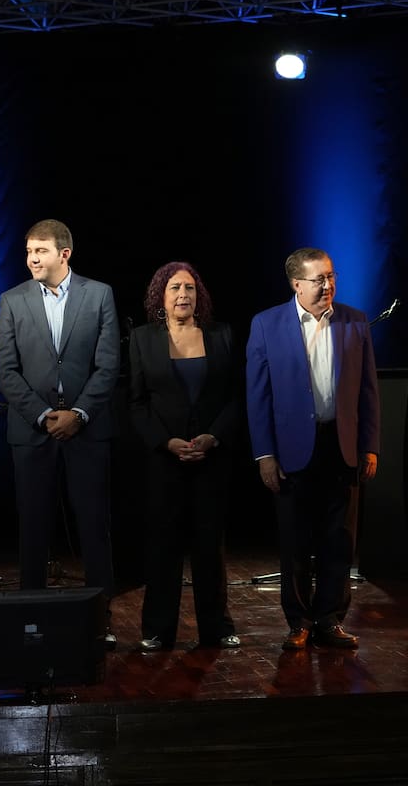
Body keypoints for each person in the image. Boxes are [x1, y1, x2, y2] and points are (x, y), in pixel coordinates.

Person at [0, 219, 120, 647]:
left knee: (93, 528)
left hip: (87, 431)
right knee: (33, 528)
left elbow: (108, 366)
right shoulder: (12, 300)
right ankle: (32, 621)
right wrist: (45, 414)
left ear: (64, 254)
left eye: (41, 251)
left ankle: (100, 622)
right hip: (33, 432)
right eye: (29, 251)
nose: (32, 258)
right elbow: (5, 370)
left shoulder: (99, 294)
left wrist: (79, 413)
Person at [246, 247, 379, 650]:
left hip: (341, 446)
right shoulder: (267, 324)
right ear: (296, 284)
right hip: (292, 450)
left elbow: (369, 392)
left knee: (340, 539)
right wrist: (264, 454)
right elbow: (258, 396)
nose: (327, 285)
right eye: (318, 279)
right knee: (296, 540)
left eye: (331, 276)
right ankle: (299, 622)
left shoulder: (355, 322)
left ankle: (330, 619)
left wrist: (370, 445)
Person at [129, 262, 240, 650]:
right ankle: (158, 629)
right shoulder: (142, 339)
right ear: (161, 295)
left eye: (190, 288)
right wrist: (166, 442)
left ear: (199, 295)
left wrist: (214, 436)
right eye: (175, 287)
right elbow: (137, 403)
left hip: (211, 458)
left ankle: (217, 627)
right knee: (163, 546)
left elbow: (233, 397)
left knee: (210, 545)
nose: (183, 295)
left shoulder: (222, 334)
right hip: (164, 460)